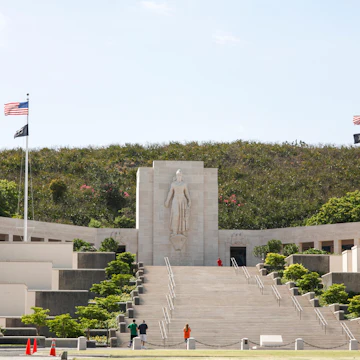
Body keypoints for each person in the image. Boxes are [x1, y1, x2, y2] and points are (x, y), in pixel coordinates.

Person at [165, 169, 191, 236]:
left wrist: (189, 200)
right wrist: (167, 201)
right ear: (176, 175)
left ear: (182, 176)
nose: (179, 176)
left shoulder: (184, 184)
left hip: (183, 200)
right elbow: (170, 192)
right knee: (175, 215)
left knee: (182, 216)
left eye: (180, 175)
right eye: (178, 175)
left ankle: (183, 231)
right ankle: (174, 231)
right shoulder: (173, 184)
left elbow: (186, 193)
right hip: (175, 199)